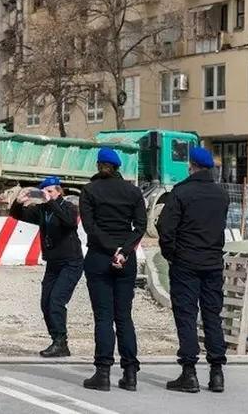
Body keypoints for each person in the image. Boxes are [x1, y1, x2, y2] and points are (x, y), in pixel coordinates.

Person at [157, 146, 230, 394]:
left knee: (186, 317)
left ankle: (189, 373)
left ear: (191, 166)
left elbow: (165, 228)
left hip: (186, 264)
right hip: (212, 263)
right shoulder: (221, 195)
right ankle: (217, 373)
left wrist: (172, 255)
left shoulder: (181, 193)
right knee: (213, 316)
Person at [79, 147, 146, 392]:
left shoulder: (89, 191)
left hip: (99, 258)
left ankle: (103, 372)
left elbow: (89, 226)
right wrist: (124, 251)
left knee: (104, 317)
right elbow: (140, 226)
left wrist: (110, 250)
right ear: (118, 167)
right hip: (126, 260)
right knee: (124, 316)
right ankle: (130, 374)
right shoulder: (133, 191)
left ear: (98, 166)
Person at [9, 176, 83, 358]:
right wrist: (18, 203)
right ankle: (56, 339)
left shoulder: (67, 207)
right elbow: (18, 215)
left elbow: (69, 222)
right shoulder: (43, 210)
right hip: (53, 262)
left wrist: (51, 203)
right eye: (44, 192)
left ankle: (60, 342)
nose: (47, 195)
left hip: (71, 261)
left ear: (59, 192)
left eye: (50, 191)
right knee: (46, 302)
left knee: (57, 300)